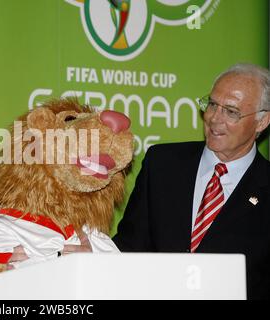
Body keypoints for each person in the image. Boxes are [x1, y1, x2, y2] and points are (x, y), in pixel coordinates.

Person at [113, 63, 270, 300]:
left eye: (231, 111)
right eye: (212, 105)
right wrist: (92, 256)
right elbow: (130, 247)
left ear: (262, 122)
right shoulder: (162, 164)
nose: (214, 118)